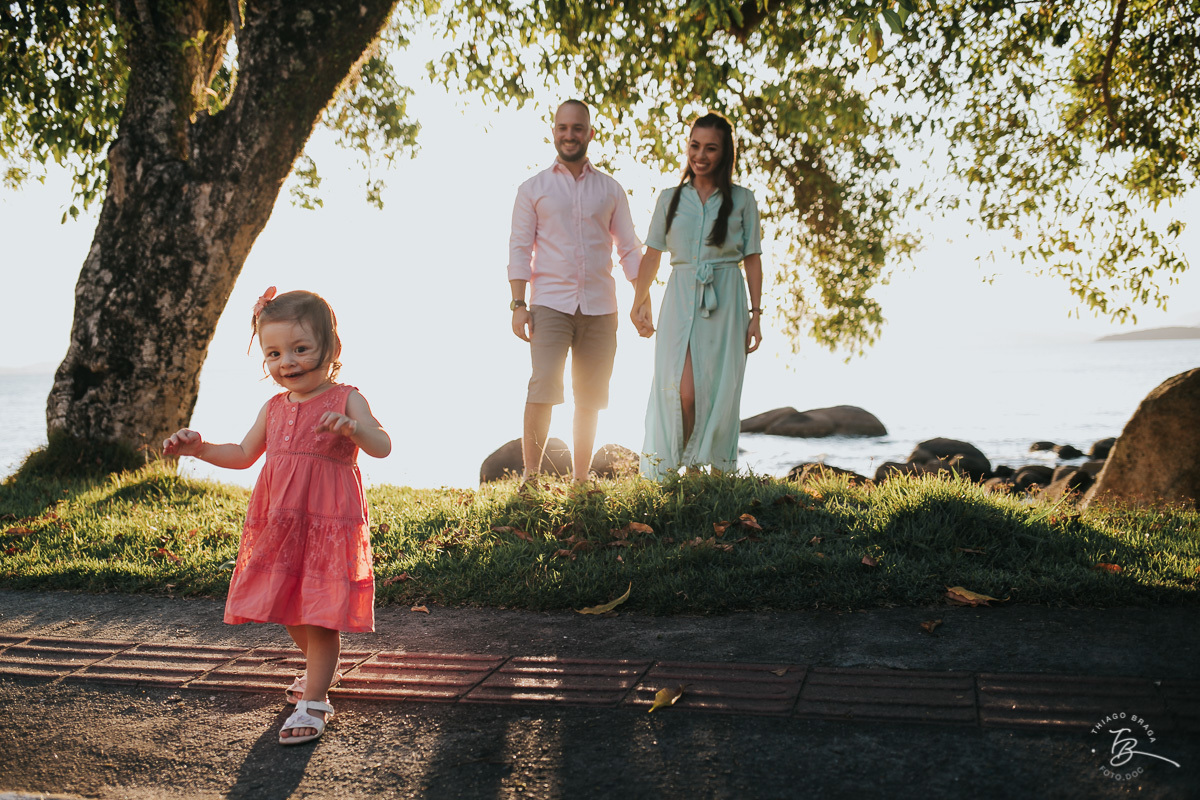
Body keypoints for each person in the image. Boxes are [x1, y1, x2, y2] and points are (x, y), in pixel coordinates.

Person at [163, 287, 391, 746]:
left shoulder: (346, 398)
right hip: (281, 522)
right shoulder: (273, 408)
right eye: (274, 352)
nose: (286, 361)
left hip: (327, 520)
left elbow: (382, 445)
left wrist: (354, 428)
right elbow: (245, 454)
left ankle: (316, 701)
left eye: (300, 349)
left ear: (332, 348)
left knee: (320, 613)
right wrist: (201, 447)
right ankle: (320, 673)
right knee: (288, 605)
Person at [508, 99, 642, 483]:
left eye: (577, 128)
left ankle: (580, 480)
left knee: (590, 396)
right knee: (542, 388)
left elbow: (629, 248)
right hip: (549, 303)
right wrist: (518, 304)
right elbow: (519, 248)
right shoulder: (532, 189)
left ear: (590, 133)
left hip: (601, 306)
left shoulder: (611, 190)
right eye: (563, 127)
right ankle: (531, 478)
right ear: (554, 131)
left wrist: (642, 297)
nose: (570, 135)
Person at [631, 112, 764, 478]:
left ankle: (712, 475)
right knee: (682, 391)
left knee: (721, 390)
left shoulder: (742, 200)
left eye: (710, 148)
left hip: (726, 301)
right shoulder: (670, 199)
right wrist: (639, 301)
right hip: (680, 297)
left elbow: (752, 259)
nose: (700, 155)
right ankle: (679, 467)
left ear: (725, 153)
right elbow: (652, 256)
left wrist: (756, 315)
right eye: (694, 145)